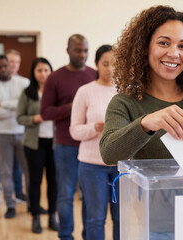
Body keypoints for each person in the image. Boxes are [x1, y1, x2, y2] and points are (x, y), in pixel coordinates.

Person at [99, 5, 183, 239]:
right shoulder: (125, 103)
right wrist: (147, 122)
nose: (174, 53)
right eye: (164, 43)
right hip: (156, 224)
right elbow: (109, 152)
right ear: (145, 47)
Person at [41, 34, 96, 240]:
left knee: (89, 198)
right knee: (65, 195)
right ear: (68, 51)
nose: (82, 55)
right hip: (65, 146)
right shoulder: (55, 78)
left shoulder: (94, 74)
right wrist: (72, 108)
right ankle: (65, 235)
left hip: (90, 146)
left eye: (85, 51)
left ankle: (86, 235)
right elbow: (45, 112)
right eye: (77, 50)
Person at [70, 45, 119, 240]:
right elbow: (74, 130)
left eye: (114, 64)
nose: (110, 69)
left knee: (121, 219)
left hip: (120, 166)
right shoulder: (85, 91)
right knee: (96, 219)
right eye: (105, 64)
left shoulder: (126, 92)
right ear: (96, 65)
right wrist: (94, 128)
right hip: (91, 166)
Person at [0, 55, 30, 219]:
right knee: (5, 172)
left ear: (9, 66)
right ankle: (10, 205)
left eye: (5, 66)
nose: (3, 69)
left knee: (28, 170)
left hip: (23, 133)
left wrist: (3, 104)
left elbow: (28, 107)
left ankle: (32, 202)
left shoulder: (23, 83)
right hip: (1, 135)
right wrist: (17, 108)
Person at [17, 58, 58, 233]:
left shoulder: (56, 91)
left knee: (53, 181)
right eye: (39, 70)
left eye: (46, 70)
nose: (43, 74)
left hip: (55, 143)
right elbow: (20, 117)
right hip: (34, 144)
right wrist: (35, 118)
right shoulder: (27, 93)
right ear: (33, 73)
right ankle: (35, 217)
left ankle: (51, 216)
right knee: (34, 181)